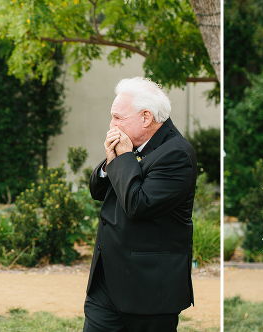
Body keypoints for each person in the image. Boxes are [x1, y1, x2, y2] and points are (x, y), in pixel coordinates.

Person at [85, 77, 198, 332]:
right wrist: (109, 162)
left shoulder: (177, 154)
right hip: (105, 285)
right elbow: (97, 190)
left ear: (146, 117)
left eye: (118, 118)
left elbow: (139, 204)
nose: (112, 125)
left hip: (149, 291)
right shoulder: (130, 145)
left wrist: (123, 157)